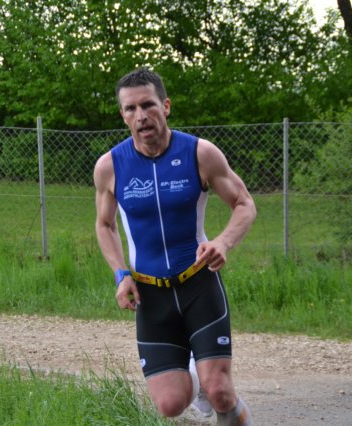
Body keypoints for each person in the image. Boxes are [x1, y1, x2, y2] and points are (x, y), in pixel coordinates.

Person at [94, 68, 256, 426]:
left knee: (221, 392)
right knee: (170, 404)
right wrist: (120, 274)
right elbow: (104, 225)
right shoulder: (110, 166)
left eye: (148, 105)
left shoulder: (200, 153)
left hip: (198, 283)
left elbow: (245, 203)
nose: (141, 115)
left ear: (165, 106)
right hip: (151, 295)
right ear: (123, 115)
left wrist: (223, 242)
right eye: (131, 108)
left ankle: (212, 387)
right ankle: (197, 379)